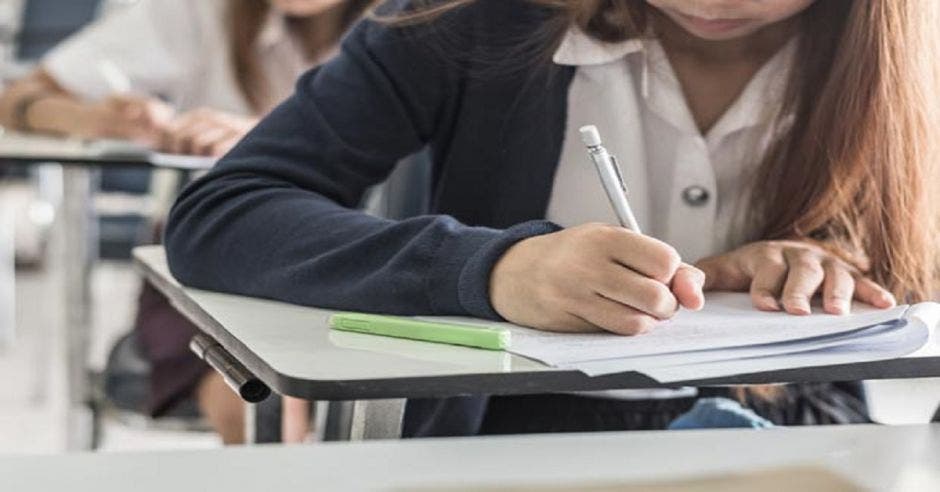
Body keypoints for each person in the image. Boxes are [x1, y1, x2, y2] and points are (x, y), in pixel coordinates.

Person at [164, 0, 940, 436]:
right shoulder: (467, 19)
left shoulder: (906, 57)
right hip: (500, 436)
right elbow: (224, 213)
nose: (716, 1)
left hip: (800, 436)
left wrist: (831, 257)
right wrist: (493, 271)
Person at [0, 0, 373, 444]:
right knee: (255, 396)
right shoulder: (199, 13)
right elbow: (20, 97)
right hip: (219, 263)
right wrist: (97, 119)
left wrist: (269, 140)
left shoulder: (420, 24)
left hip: (366, 256)